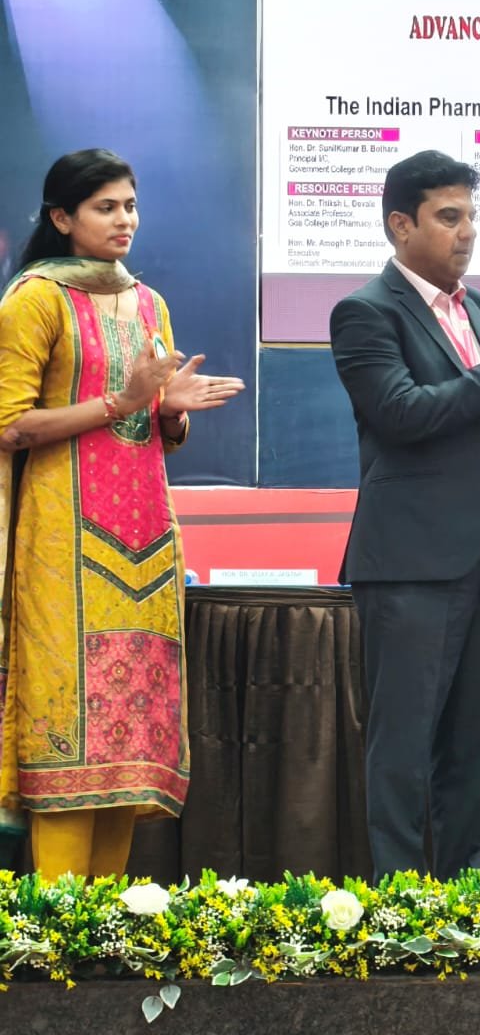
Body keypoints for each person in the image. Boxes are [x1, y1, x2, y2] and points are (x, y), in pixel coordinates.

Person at [0, 149, 245, 879]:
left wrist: (167, 412)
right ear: (61, 217)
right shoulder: (34, 301)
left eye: (130, 205)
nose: (124, 220)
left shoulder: (148, 303)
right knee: (69, 736)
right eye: (105, 207)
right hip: (60, 546)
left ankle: (105, 930)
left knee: (125, 747)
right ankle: (55, 931)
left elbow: (149, 427)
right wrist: (122, 401)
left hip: (143, 544)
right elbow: (10, 426)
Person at [330, 149, 480, 881]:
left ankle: (462, 891)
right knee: (404, 744)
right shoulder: (366, 312)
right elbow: (404, 414)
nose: (467, 231)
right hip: (414, 560)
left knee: (475, 744)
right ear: (400, 225)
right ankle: (401, 901)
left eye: (471, 215)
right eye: (448, 216)